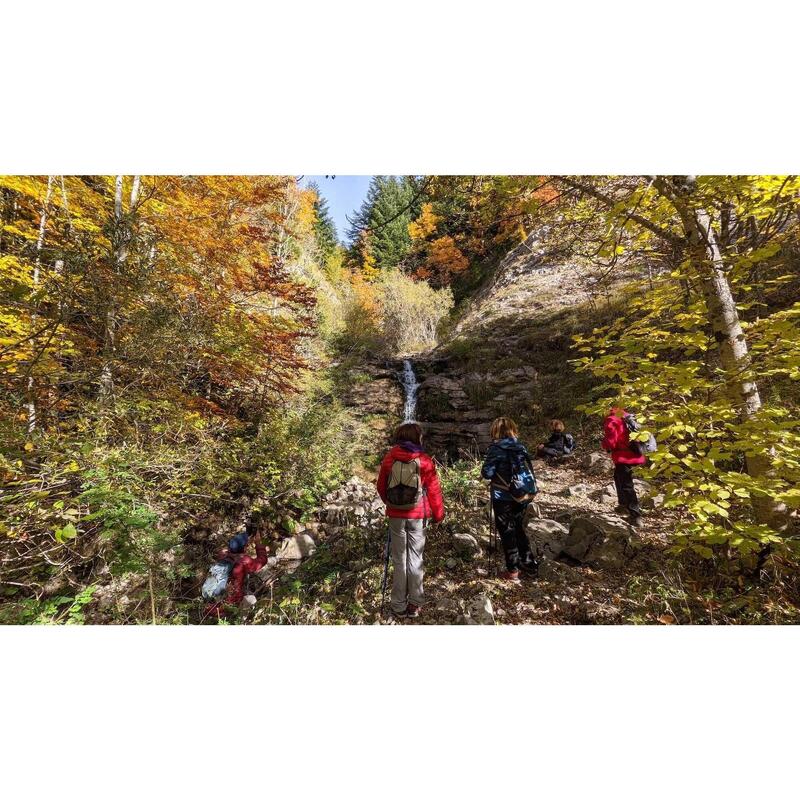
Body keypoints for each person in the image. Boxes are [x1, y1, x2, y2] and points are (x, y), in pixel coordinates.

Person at [377, 422, 444, 619]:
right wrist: (438, 514)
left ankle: (398, 605)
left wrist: (392, 504)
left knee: (399, 560)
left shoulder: (390, 458)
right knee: (415, 559)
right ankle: (415, 604)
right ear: (417, 438)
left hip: (396, 517)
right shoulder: (424, 460)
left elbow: (381, 487)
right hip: (418, 515)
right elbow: (433, 490)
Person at [481, 416, 538, 582]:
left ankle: (512, 571)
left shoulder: (496, 448)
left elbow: (487, 473)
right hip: (522, 495)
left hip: (502, 496)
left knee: (507, 531)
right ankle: (529, 564)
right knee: (518, 528)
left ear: (496, 431)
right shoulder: (521, 447)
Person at [204, 526, 269, 620]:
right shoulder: (244, 560)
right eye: (246, 545)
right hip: (231, 604)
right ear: (244, 547)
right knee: (252, 600)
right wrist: (258, 544)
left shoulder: (223, 554)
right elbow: (262, 561)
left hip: (212, 603)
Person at [601, 406, 646, 527]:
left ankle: (635, 515)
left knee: (627, 485)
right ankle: (623, 505)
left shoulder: (612, 420)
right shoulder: (627, 417)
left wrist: (604, 444)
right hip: (635, 454)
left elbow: (611, 442)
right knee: (618, 477)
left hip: (623, 456)